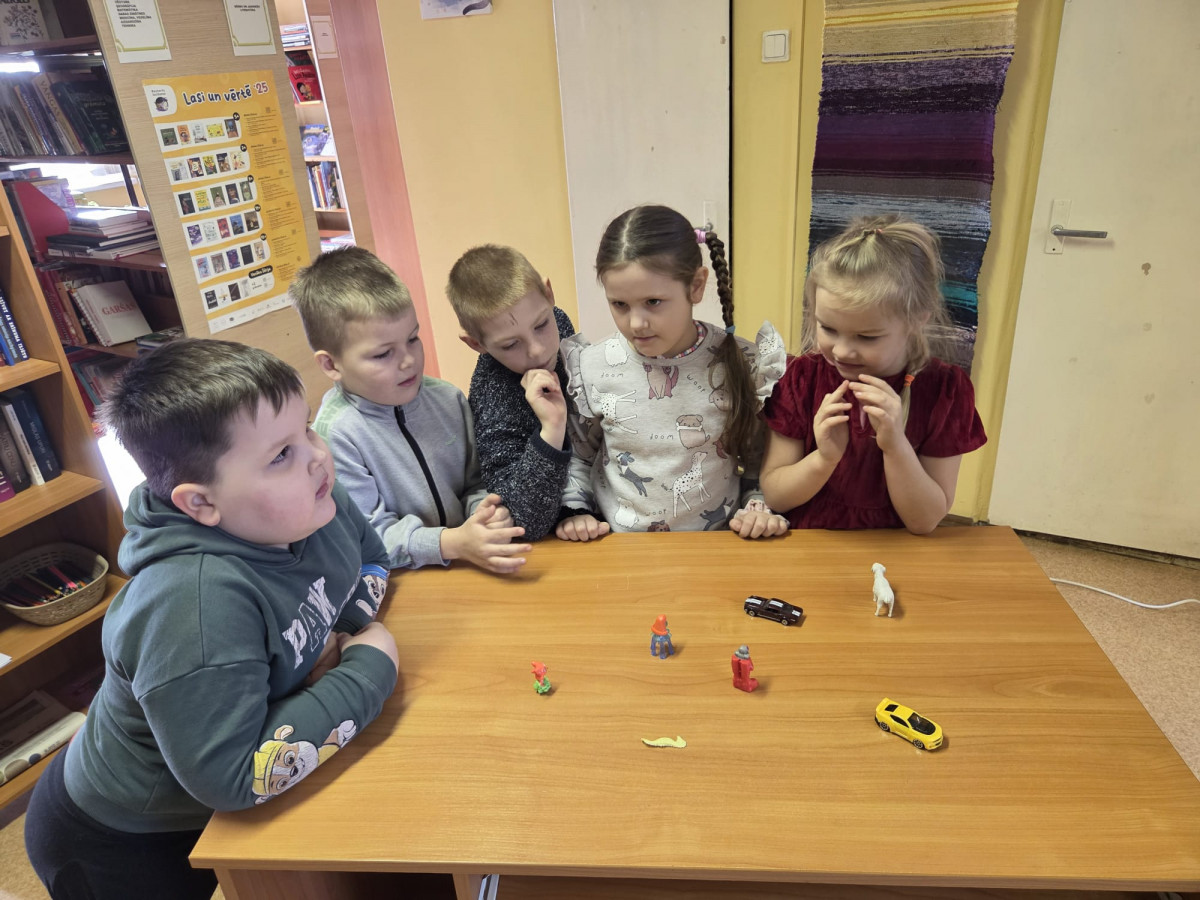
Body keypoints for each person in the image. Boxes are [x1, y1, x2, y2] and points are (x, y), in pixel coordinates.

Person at [24, 339, 400, 900]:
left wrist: (339, 633)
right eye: (281, 454)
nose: (317, 457)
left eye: (307, 429)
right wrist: (366, 667)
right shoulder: (192, 607)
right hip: (125, 838)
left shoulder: (309, 496)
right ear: (200, 503)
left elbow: (372, 559)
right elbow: (234, 775)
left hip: (207, 776)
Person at [292, 246, 529, 573]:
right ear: (331, 365)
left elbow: (475, 482)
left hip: (469, 564)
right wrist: (450, 542)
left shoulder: (448, 399)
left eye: (413, 339)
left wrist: (483, 514)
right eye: (383, 354)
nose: (409, 361)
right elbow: (367, 536)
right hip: (400, 581)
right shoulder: (335, 435)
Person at [562, 204, 789, 537]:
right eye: (619, 304)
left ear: (696, 286)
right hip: (619, 550)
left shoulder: (743, 362)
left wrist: (756, 508)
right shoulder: (593, 366)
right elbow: (579, 457)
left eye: (653, 302)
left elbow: (756, 461)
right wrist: (576, 512)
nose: (636, 323)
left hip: (715, 547)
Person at [760, 214, 987, 533]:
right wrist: (825, 458)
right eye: (828, 328)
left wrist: (896, 446)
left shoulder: (945, 391)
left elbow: (924, 521)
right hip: (809, 541)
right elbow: (776, 496)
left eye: (867, 337)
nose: (841, 351)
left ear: (917, 320)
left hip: (896, 547)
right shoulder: (801, 378)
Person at [447, 244, 604, 542]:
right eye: (510, 345)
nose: (537, 350)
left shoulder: (558, 318)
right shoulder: (493, 399)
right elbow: (522, 520)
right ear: (476, 344)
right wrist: (551, 429)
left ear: (549, 293)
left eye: (541, 325)